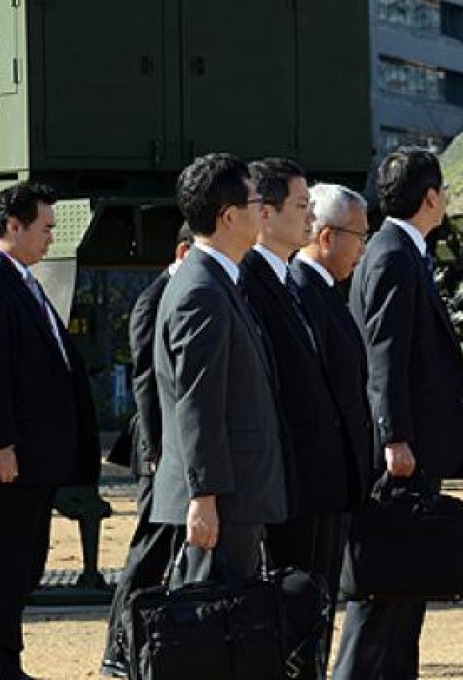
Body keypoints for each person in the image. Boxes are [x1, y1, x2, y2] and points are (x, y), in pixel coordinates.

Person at [0, 181, 101, 680]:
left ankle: (6, 661)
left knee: (23, 564)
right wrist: (0, 443)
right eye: (45, 228)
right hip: (7, 460)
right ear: (13, 226)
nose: (51, 239)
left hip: (33, 458)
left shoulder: (20, 279)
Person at [336, 147, 463, 680]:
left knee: (406, 582)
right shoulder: (393, 254)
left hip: (411, 443)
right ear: (431, 196)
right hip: (401, 452)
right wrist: (395, 437)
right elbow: (383, 353)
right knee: (385, 584)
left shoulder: (399, 250)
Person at [239, 162, 368, 676]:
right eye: (300, 206)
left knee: (313, 610)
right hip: (293, 478)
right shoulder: (256, 281)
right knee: (292, 610)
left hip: (320, 477)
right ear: (264, 215)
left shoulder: (287, 282)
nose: (308, 216)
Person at [150, 153, 287, 580]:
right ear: (228, 217)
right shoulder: (202, 290)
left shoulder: (216, 279)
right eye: (253, 203)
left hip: (234, 495)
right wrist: (204, 495)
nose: (263, 212)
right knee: (210, 625)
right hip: (223, 501)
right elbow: (199, 402)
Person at [288, 183, 375, 668]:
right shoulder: (301, 290)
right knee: (306, 600)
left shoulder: (323, 291)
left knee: (321, 599)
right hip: (314, 476)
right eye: (359, 235)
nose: (363, 247)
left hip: (334, 477)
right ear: (326, 236)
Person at [100, 224, 193, 677]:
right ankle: (118, 643)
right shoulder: (153, 299)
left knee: (169, 549)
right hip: (160, 450)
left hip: (176, 448)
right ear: (183, 250)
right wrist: (157, 449)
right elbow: (145, 381)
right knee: (149, 551)